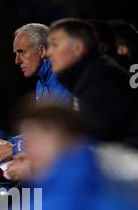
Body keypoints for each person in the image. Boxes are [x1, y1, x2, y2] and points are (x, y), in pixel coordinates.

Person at [0, 23, 71, 168]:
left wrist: (15, 148)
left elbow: (60, 134)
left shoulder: (63, 80)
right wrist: (11, 143)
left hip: (61, 163)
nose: (17, 61)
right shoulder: (41, 82)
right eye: (15, 54)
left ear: (42, 51)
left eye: (22, 52)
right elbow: (42, 128)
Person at [47, 18, 138, 147]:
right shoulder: (84, 74)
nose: (49, 52)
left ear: (78, 48)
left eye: (55, 44)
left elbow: (93, 138)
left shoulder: (100, 77)